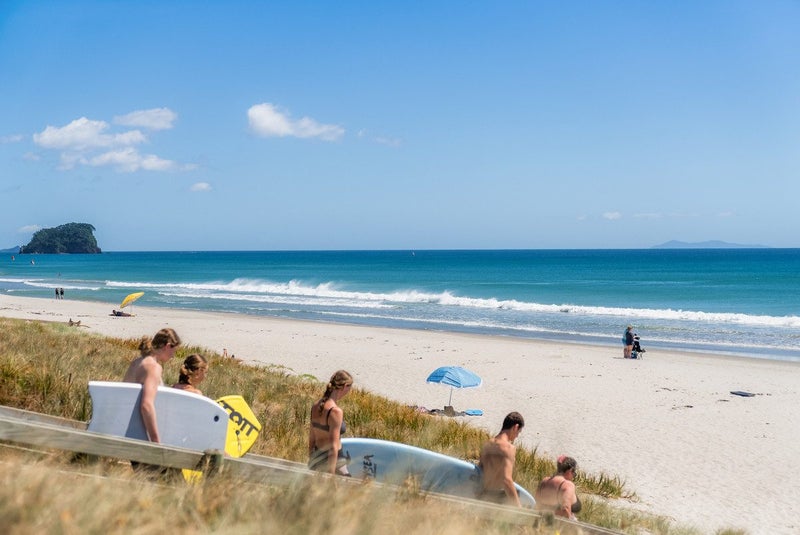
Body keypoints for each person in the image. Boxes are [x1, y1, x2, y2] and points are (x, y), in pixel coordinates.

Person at [122, 327, 182, 443]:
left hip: (125, 425)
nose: (173, 355)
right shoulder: (153, 368)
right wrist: (156, 441)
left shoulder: (137, 362)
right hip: (137, 433)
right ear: (167, 346)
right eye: (173, 351)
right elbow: (146, 405)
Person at [308, 370, 353, 475]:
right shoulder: (336, 411)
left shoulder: (315, 406)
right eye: (349, 389)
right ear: (345, 386)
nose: (348, 392)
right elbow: (333, 447)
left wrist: (311, 461)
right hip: (335, 462)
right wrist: (331, 475)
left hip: (317, 457)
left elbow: (311, 438)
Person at [478, 411, 525, 506]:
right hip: (498, 498)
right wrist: (519, 508)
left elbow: (480, 471)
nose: (517, 436)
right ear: (515, 427)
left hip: (483, 495)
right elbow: (507, 480)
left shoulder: (487, 445)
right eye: (518, 432)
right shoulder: (508, 448)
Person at [535, 455, 582, 520]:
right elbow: (566, 511)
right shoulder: (567, 485)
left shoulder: (544, 481)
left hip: (540, 520)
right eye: (574, 473)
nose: (573, 476)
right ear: (570, 470)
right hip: (559, 525)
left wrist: (544, 513)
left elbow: (536, 504)